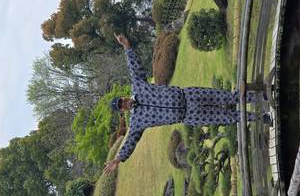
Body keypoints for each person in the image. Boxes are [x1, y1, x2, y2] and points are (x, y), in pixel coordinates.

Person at [103, 34, 271, 172]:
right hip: (190, 116)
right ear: (122, 110)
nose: (123, 103)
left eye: (121, 100)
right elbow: (130, 141)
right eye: (120, 106)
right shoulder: (136, 121)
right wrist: (118, 159)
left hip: (190, 95)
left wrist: (126, 46)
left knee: (229, 97)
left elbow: (135, 67)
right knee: (228, 116)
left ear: (123, 97)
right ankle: (261, 117)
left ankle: (261, 97)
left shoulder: (138, 86)